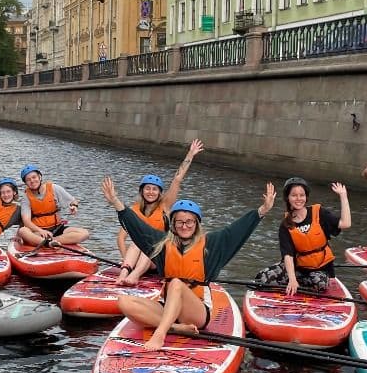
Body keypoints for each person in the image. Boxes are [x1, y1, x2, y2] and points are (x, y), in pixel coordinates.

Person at [101, 176, 275, 351]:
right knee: (123, 301)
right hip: (167, 306)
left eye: (189, 221)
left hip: (197, 311)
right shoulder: (162, 244)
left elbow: (237, 230)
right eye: (180, 222)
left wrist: (262, 210)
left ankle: (160, 334)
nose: (184, 226)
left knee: (176, 283)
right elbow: (137, 226)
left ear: (196, 223)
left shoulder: (211, 244)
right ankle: (176, 327)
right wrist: (116, 201)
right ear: (173, 224)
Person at [115, 139, 204, 285]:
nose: (151, 192)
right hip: (137, 258)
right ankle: (124, 273)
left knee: (150, 245)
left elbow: (177, 179)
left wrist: (190, 154)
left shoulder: (165, 206)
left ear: (159, 192)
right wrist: (126, 260)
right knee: (136, 243)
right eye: (147, 188)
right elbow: (120, 238)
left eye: (154, 189)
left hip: (160, 257)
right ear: (142, 191)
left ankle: (135, 275)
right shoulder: (134, 210)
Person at [277, 177, 351, 295]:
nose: (298, 198)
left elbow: (345, 223)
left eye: (302, 195)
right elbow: (288, 255)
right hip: (299, 268)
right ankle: (293, 281)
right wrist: (292, 279)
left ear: (306, 197)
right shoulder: (285, 225)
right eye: (294, 195)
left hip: (321, 268)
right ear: (288, 198)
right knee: (264, 277)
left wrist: (343, 196)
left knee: (319, 284)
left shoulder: (319, 213)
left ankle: (296, 283)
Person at [17, 164, 91, 248]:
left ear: (39, 177)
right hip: (38, 232)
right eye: (28, 180)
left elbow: (73, 201)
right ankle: (47, 243)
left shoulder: (54, 188)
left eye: (34, 177)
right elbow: (26, 221)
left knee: (84, 233)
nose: (32, 181)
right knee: (23, 231)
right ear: (25, 183)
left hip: (57, 228)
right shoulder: (26, 197)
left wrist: (74, 206)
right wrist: (41, 231)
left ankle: (51, 241)